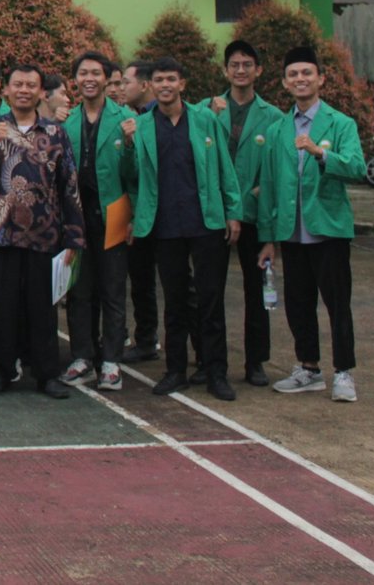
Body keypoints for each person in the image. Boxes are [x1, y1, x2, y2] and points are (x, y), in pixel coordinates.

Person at [0, 64, 84, 400]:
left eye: (31, 85)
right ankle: (1, 371)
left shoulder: (55, 133)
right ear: (6, 90)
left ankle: (47, 374)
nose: (24, 90)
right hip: (0, 234)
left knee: (43, 308)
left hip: (45, 235)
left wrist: (74, 236)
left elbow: (69, 185)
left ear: (41, 92)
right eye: (18, 84)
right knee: (2, 307)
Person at [127, 57, 242, 402]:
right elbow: (133, 177)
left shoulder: (205, 119)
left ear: (182, 84)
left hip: (206, 221)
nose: (165, 85)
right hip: (164, 225)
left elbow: (224, 167)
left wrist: (233, 211)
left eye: (171, 79)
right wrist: (128, 146)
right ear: (151, 85)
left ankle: (215, 371)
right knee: (175, 301)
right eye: (159, 79)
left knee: (211, 300)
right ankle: (175, 371)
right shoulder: (141, 126)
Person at [257, 46, 367, 403]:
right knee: (298, 303)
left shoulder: (340, 123)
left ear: (320, 79)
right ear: (285, 83)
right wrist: (269, 238)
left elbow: (357, 167)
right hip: (291, 231)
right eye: (293, 74)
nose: (300, 79)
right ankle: (309, 368)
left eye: (307, 73)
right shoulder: (278, 129)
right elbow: (269, 185)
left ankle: (344, 372)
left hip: (328, 229)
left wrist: (321, 154)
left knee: (337, 304)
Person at [60, 52, 136, 393]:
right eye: (82, 73)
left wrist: (134, 217)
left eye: (95, 73)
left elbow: (137, 175)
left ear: (107, 79)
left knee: (113, 291)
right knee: (79, 290)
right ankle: (82, 356)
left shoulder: (127, 119)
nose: (89, 78)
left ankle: (111, 361)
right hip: (76, 219)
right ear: (75, 80)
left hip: (114, 215)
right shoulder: (66, 122)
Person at [209, 40, 284, 387]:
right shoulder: (208, 110)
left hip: (255, 214)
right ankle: (210, 361)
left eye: (247, 64)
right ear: (225, 70)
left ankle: (256, 361)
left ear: (258, 70)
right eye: (234, 65)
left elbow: (278, 170)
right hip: (216, 214)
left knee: (257, 292)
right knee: (211, 291)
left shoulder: (274, 117)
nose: (241, 70)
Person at [121, 59, 162, 363]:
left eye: (126, 82)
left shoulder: (157, 119)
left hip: (165, 213)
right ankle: (146, 339)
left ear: (145, 85)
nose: (122, 87)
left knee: (177, 283)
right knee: (141, 280)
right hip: (139, 214)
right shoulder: (132, 119)